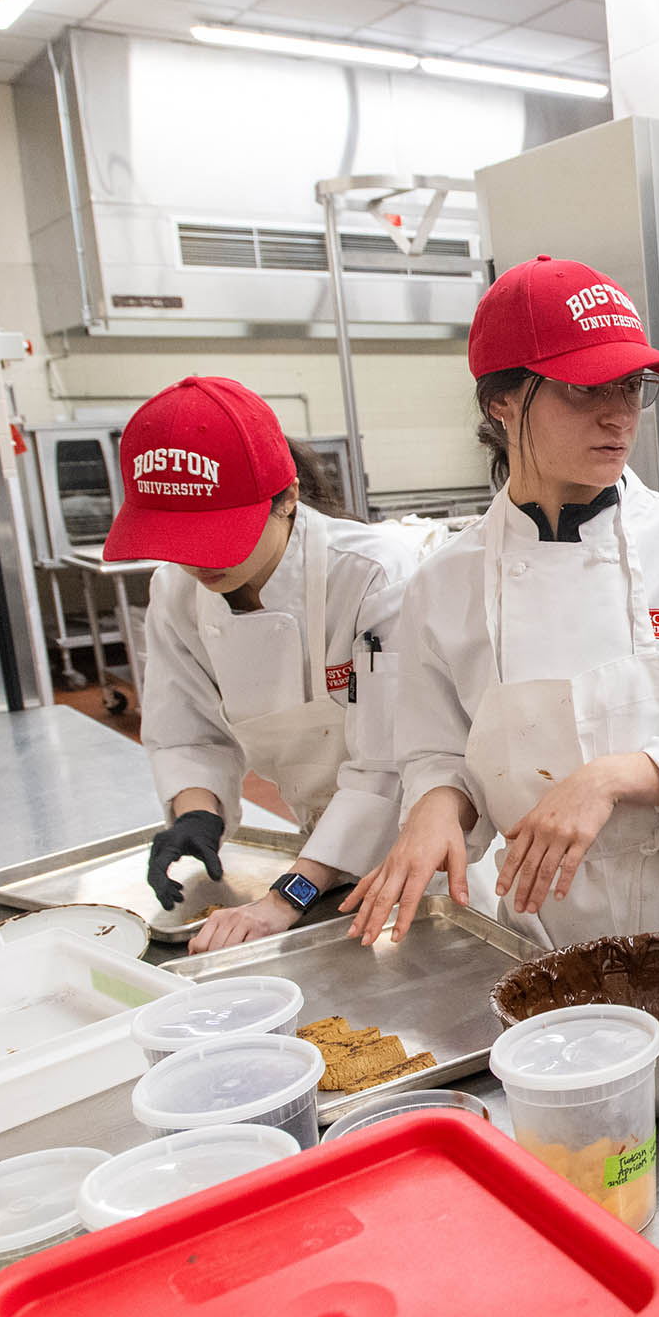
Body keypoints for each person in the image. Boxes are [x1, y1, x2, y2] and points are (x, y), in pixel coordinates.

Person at [342, 255, 659, 1093]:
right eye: (583, 390)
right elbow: (435, 749)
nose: (618, 416)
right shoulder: (442, 585)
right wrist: (435, 805)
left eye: (633, 388)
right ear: (502, 401)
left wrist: (618, 775)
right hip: (551, 948)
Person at [106, 376, 419, 953]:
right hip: (312, 858)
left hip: (419, 855)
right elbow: (188, 735)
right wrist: (195, 814)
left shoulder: (372, 574)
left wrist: (286, 898)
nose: (197, 561)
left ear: (289, 498)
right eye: (178, 538)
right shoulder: (176, 595)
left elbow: (387, 766)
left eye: (219, 535)